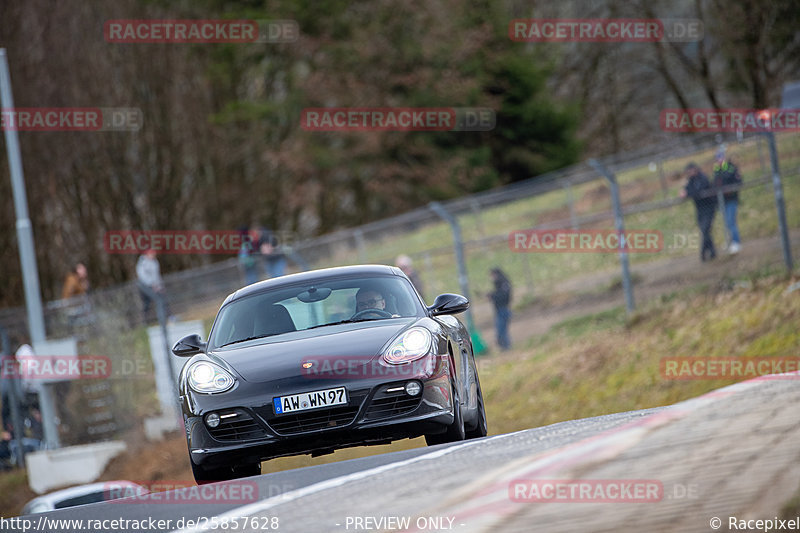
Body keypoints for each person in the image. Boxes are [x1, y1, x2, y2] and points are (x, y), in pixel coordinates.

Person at [681, 163, 717, 261]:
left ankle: (703, 253)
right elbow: (688, 190)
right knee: (704, 231)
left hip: (709, 208)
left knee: (705, 230)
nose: (690, 173)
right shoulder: (691, 181)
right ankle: (712, 251)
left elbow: (698, 191)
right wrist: (684, 192)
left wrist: (688, 193)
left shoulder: (703, 178)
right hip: (700, 210)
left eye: (691, 171)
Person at [713, 147, 743, 254]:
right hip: (722, 201)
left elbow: (737, 180)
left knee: (731, 221)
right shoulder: (717, 170)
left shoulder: (730, 168)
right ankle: (729, 241)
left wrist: (729, 190)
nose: (719, 161)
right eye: (717, 159)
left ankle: (736, 242)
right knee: (726, 223)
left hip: (731, 200)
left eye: (721, 158)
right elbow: (715, 183)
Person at [136, 249, 169, 323]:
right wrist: (151, 285)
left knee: (162, 300)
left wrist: (160, 286)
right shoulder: (143, 263)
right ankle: (145, 321)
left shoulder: (155, 262)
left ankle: (166, 318)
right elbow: (143, 276)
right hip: (145, 286)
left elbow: (157, 276)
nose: (154, 255)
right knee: (147, 304)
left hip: (155, 286)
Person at [488, 267, 512, 351]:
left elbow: (504, 296)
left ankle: (506, 348)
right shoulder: (502, 283)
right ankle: (505, 348)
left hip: (503, 310)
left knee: (501, 331)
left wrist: (493, 296)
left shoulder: (503, 283)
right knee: (501, 330)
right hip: (501, 310)